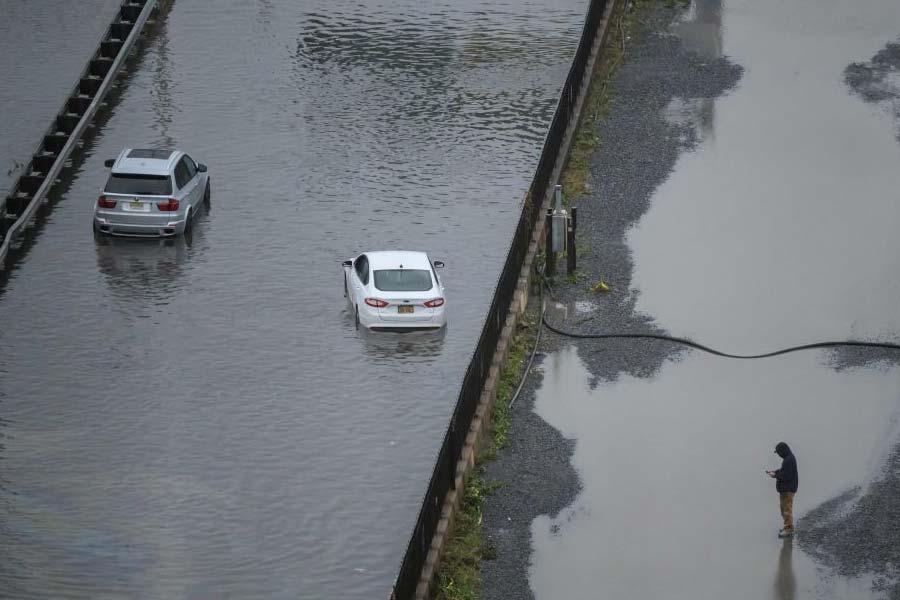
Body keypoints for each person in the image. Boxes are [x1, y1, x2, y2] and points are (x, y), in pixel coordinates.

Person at [766, 442, 798, 538]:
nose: (779, 455)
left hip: (788, 490)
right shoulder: (789, 458)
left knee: (786, 509)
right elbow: (784, 471)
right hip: (787, 489)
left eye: (779, 452)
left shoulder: (788, 460)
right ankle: (787, 526)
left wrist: (774, 475)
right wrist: (776, 471)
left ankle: (789, 529)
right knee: (784, 509)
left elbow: (785, 476)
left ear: (782, 451)